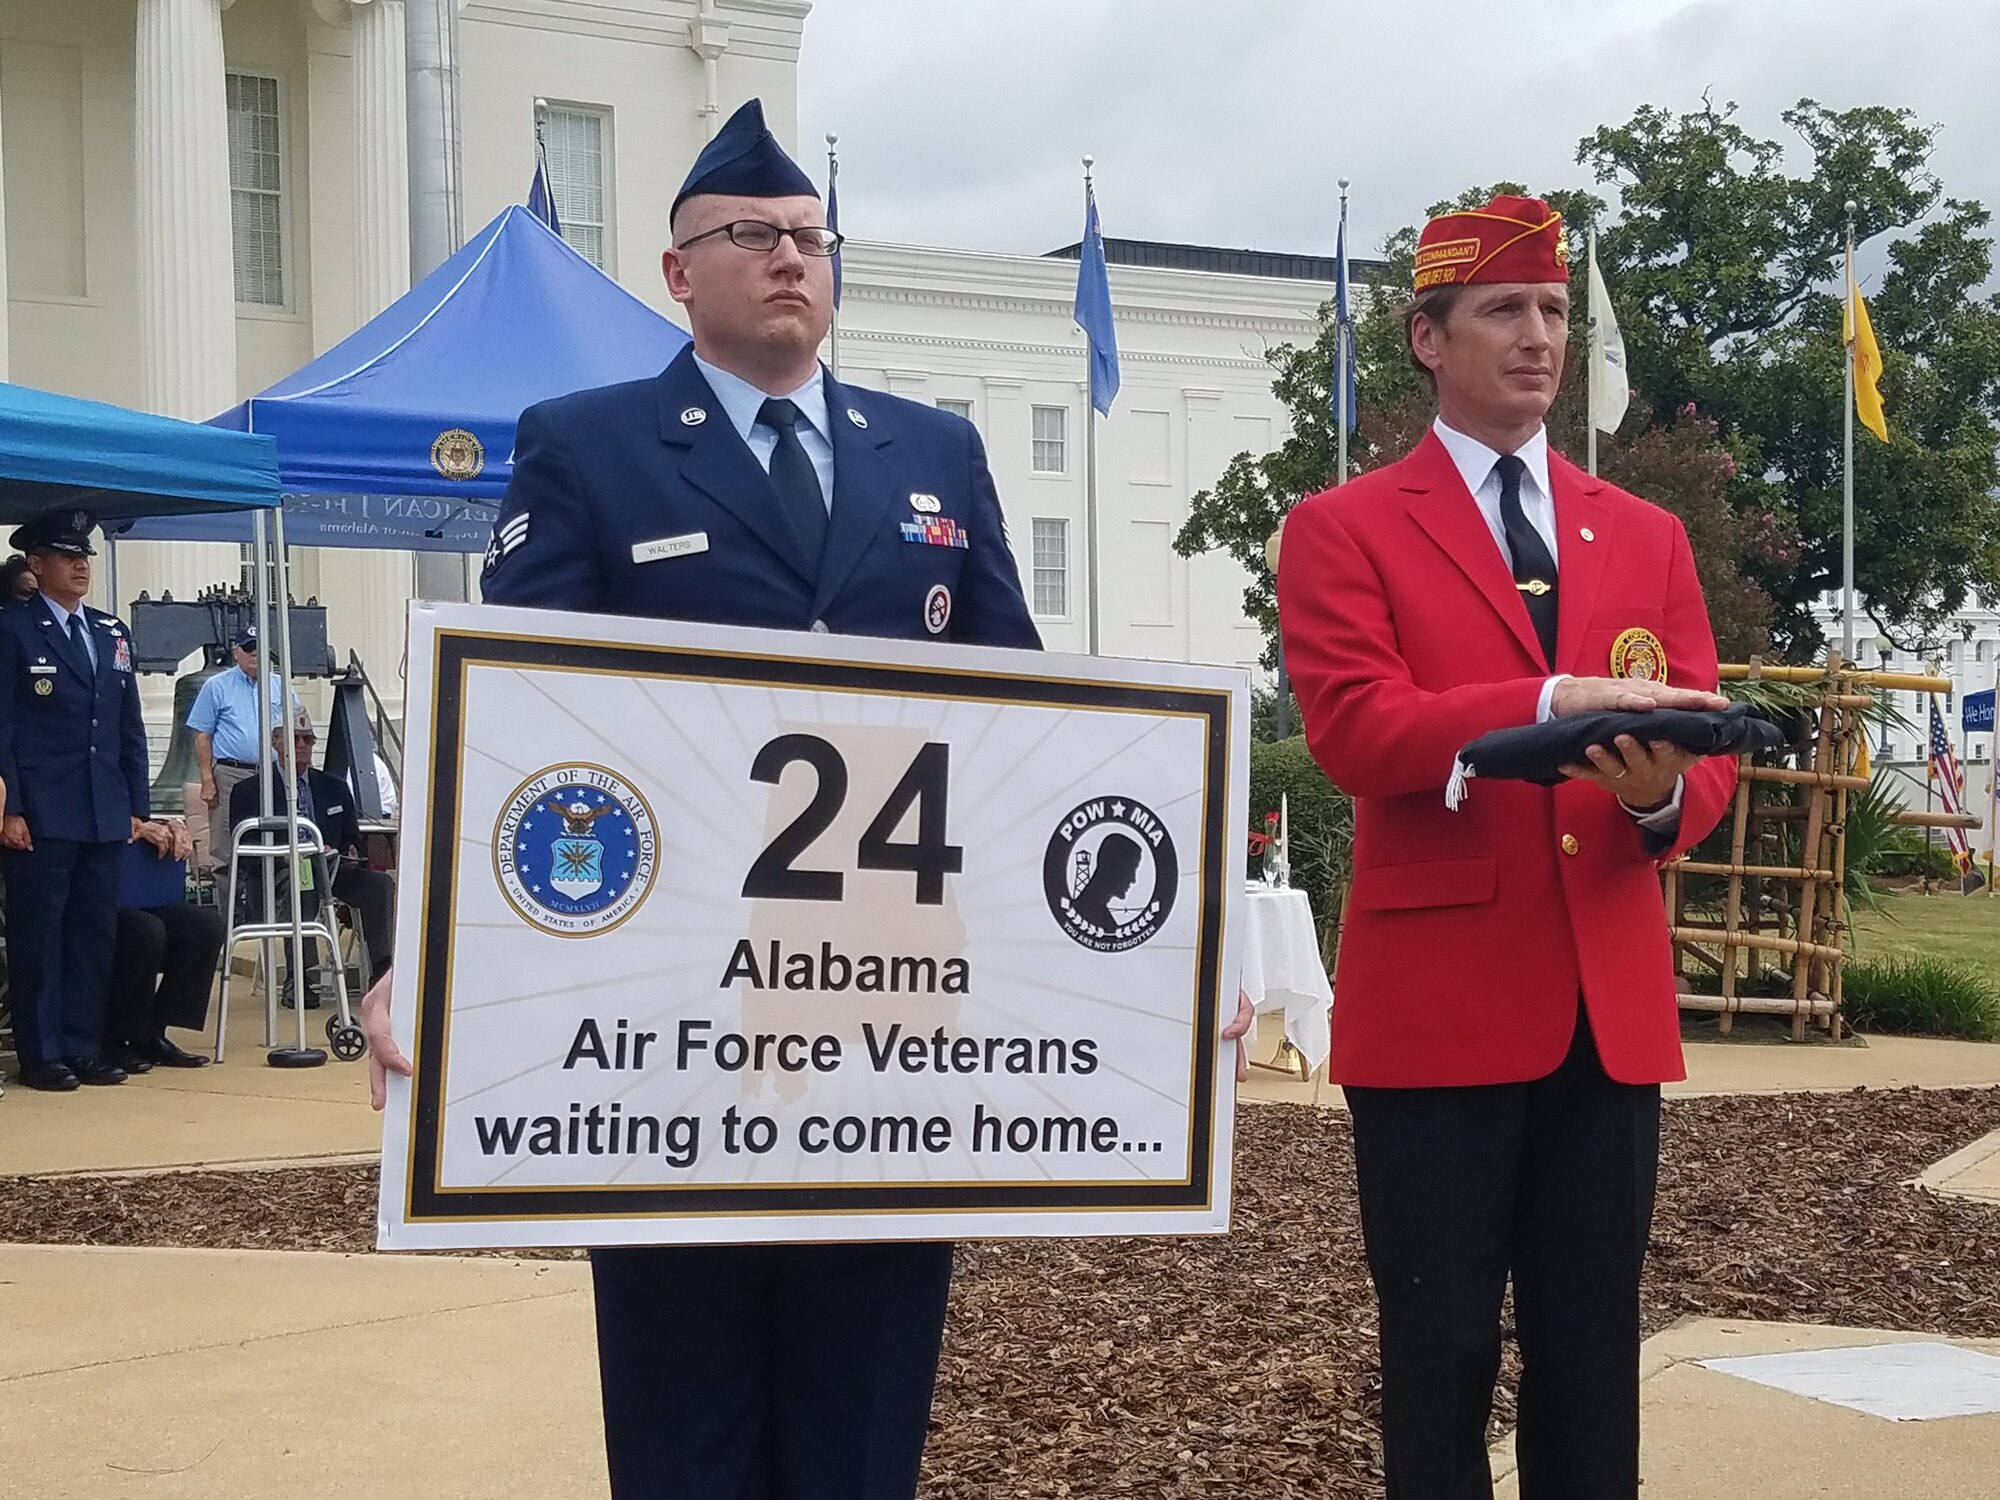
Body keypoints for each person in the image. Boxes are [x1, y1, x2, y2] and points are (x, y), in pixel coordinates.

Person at [363, 97, 1252, 1500]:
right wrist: (428, 959)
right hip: (668, 1015)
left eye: (809, 238)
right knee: (685, 1418)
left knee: (863, 1418)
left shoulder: (935, 454)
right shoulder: (586, 443)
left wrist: (1156, 968)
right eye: (752, 235)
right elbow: (521, 722)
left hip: (894, 1021)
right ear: (679, 274)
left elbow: (1023, 735)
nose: (789, 258)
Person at [1276, 195, 1739, 1500]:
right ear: (1429, 338)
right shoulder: (1345, 528)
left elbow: (1698, 750)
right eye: (1502, 312)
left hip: (1609, 1009)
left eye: (1549, 313)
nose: (1538, 339)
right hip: (1437, 1014)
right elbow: (1360, 733)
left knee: (1594, 1361)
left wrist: (1658, 799)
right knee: (1441, 1355)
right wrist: (1550, 707)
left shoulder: (1644, 534)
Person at [0, 507, 151, 1091]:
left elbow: (127, 725)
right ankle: (42, 1053)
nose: (81, 565)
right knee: (42, 932)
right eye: (67, 556)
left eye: (83, 555)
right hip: (40, 808)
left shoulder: (110, 631)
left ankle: (83, 1044)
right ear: (37, 565)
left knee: (93, 931)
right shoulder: (13, 628)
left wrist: (135, 802)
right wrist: (9, 807)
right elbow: (4, 727)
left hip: (103, 806)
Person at [231, 715, 396, 992]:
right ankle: (300, 977)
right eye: (294, 738)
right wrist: (287, 855)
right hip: (278, 873)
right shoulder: (250, 791)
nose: (302, 745)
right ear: (275, 742)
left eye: (308, 739)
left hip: (332, 869)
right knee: (301, 879)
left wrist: (351, 853)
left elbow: (352, 840)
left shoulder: (334, 787)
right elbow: (245, 853)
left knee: (380, 885)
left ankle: (382, 971)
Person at [186, 625, 298, 903]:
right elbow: (202, 734)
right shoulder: (216, 686)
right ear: (236, 653)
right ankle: (231, 925)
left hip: (273, 775)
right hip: (231, 774)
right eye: (249, 648)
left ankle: (271, 914)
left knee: (279, 847)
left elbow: (295, 727)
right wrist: (206, 780)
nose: (255, 654)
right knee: (226, 850)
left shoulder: (280, 686)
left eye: (260, 648)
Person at [106, 818, 218, 1071]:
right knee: (146, 931)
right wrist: (133, 827)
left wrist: (171, 825)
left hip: (141, 888)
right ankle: (115, 1036)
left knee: (203, 926)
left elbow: (140, 816)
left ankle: (154, 1030)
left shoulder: (132, 784)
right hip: (98, 891)